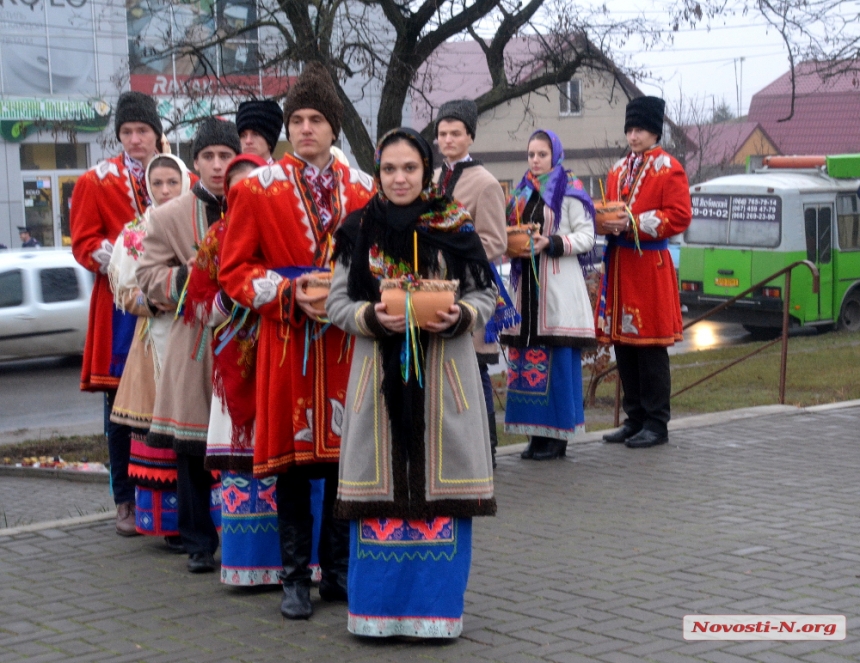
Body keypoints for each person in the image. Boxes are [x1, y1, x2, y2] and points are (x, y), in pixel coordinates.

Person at [326, 127, 496, 639]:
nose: (400, 178)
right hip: (377, 382)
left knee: (437, 498)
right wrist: (372, 317)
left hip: (444, 382)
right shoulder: (356, 229)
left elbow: (485, 295)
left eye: (410, 168)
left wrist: (461, 315)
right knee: (380, 499)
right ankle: (376, 616)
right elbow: (337, 304)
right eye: (390, 169)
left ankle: (435, 616)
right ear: (378, 173)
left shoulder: (455, 225)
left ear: (426, 171)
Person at [219, 62, 375, 618]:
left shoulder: (364, 188)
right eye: (298, 120)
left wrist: (348, 294)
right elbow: (233, 270)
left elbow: (378, 263)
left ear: (334, 127)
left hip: (344, 344)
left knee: (341, 462)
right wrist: (288, 295)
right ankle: (292, 579)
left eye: (317, 119)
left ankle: (335, 573)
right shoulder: (258, 188)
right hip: (286, 344)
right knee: (290, 463)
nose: (306, 128)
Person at [138, 117, 241, 572]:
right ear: (195, 163)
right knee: (191, 447)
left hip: (247, 339)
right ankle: (199, 541)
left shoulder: (255, 205)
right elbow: (146, 278)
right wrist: (193, 277)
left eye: (225, 156)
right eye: (208, 157)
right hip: (194, 340)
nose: (218, 165)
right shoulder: (168, 216)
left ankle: (251, 537)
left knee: (248, 442)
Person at [181, 153, 281, 586]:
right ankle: (248, 563)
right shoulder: (217, 239)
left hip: (281, 359)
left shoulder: (284, 236)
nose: (242, 195)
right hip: (234, 365)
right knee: (241, 465)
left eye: (251, 185)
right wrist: (230, 300)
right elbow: (199, 305)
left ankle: (297, 561)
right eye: (234, 189)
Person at [70, 90, 163, 535]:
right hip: (119, 308)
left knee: (166, 404)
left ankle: (165, 499)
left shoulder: (171, 176)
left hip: (166, 303)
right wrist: (109, 254)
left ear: (156, 132)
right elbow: (83, 243)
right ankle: (124, 500)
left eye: (142, 130)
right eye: (126, 131)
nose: (134, 139)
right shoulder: (96, 181)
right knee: (120, 412)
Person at [596, 96, 692, 449]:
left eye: (640, 130)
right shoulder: (617, 170)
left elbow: (680, 216)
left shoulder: (670, 168)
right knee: (624, 346)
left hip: (650, 266)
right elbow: (609, 209)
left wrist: (635, 222)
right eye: (630, 130)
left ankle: (656, 422)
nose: (633, 136)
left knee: (651, 347)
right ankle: (634, 417)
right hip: (621, 266)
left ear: (655, 131)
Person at [108, 153, 192, 551]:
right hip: (154, 341)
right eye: (156, 184)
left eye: (171, 183)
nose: (164, 191)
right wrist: (159, 300)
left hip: (195, 334)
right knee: (158, 428)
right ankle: (167, 522)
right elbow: (123, 293)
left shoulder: (198, 224)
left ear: (184, 183)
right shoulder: (134, 233)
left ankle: (204, 521)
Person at [501, 129, 597, 461]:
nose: (536, 160)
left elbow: (587, 236)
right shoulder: (521, 192)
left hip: (557, 286)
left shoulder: (570, 191)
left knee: (554, 364)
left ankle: (558, 438)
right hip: (526, 288)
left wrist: (552, 243)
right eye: (531, 154)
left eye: (542, 154)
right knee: (526, 362)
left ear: (555, 155)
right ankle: (535, 436)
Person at [434, 99, 508, 468]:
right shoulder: (432, 178)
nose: (447, 139)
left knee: (474, 368)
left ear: (470, 137)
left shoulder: (486, 182)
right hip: (432, 290)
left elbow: (495, 241)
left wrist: (450, 257)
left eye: (455, 133)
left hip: (469, 288)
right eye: (442, 133)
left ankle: (487, 449)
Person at [236, 99, 283, 164]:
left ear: (270, 141)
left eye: (256, 134)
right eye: (243, 135)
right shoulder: (230, 173)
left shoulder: (285, 173)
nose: (248, 141)